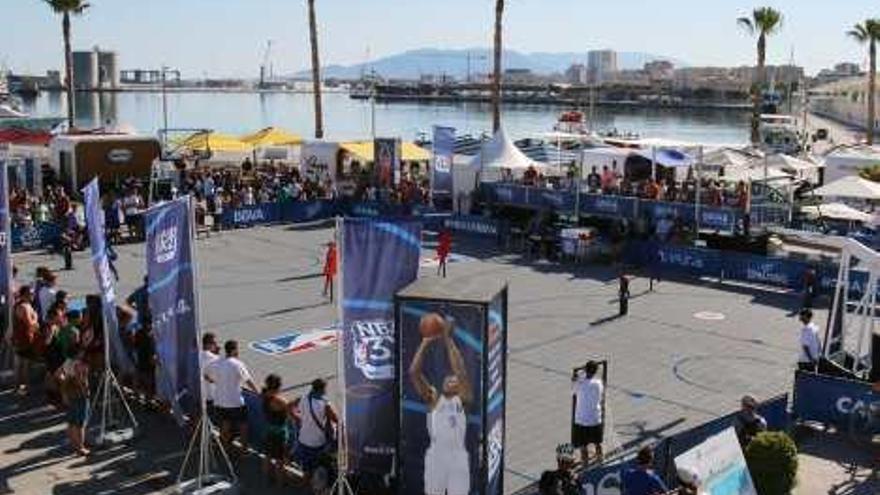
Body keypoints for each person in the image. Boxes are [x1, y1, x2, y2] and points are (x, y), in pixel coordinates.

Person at [408, 313, 472, 495]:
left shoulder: (463, 401)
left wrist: (448, 339)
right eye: (448, 379)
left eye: (454, 380)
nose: (451, 380)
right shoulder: (434, 398)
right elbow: (414, 372)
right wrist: (425, 342)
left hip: (457, 456)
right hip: (437, 456)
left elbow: (460, 371)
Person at [205, 339, 258, 452]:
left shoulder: (216, 362)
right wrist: (258, 393)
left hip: (219, 401)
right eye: (237, 349)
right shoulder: (238, 364)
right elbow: (248, 381)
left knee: (225, 425)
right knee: (243, 425)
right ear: (234, 350)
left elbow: (206, 374)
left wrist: (214, 381)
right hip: (235, 402)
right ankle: (243, 449)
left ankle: (225, 448)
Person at [292, 378, 339, 480]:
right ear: (322, 389)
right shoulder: (325, 404)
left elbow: (288, 407)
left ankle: (304, 484)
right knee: (316, 470)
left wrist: (296, 417)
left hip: (303, 440)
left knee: (306, 469)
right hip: (317, 443)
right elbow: (337, 420)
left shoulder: (303, 398)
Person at [58, 352, 90, 456]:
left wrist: (64, 394)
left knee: (71, 422)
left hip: (70, 394)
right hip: (79, 396)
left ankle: (73, 445)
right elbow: (81, 381)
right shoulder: (80, 365)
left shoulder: (67, 362)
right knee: (80, 424)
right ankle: (80, 447)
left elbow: (61, 375)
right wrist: (86, 390)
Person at [572, 360, 604, 465]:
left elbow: (574, 391)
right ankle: (600, 460)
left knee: (583, 446)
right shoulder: (599, 384)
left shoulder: (580, 384)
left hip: (582, 420)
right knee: (598, 443)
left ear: (586, 370)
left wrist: (578, 376)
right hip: (595, 418)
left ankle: (585, 464)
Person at [262, 374, 291, 485]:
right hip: (279, 433)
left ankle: (267, 478)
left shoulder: (264, 395)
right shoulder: (278, 400)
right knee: (280, 459)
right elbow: (289, 408)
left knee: (268, 455)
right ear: (278, 385)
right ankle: (280, 482)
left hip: (268, 430)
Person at [12, 286, 39, 395]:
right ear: (24, 294)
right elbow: (30, 324)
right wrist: (36, 318)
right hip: (26, 338)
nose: (32, 295)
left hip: (20, 338)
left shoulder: (18, 305)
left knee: (20, 364)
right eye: (30, 293)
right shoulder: (24, 306)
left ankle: (17, 388)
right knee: (25, 365)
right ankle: (23, 389)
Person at [201, 332, 220, 421]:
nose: (216, 345)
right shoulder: (214, 358)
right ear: (208, 344)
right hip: (210, 395)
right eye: (215, 343)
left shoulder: (197, 354)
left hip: (199, 394)